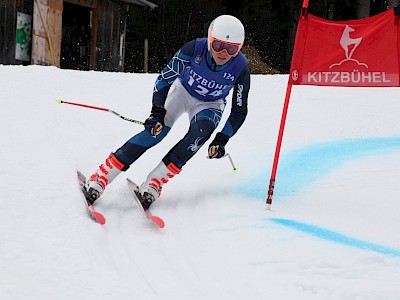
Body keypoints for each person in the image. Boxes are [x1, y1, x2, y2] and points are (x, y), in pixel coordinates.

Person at [83, 15, 251, 210]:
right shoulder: (194, 48)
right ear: (209, 39)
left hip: (210, 104)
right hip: (182, 92)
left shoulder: (241, 69)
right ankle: (102, 176)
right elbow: (164, 79)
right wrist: (156, 112)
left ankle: (154, 183)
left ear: (239, 48)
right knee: (156, 131)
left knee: (198, 136)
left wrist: (221, 139)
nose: (223, 52)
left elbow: (239, 111)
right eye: (218, 45)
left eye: (232, 48)